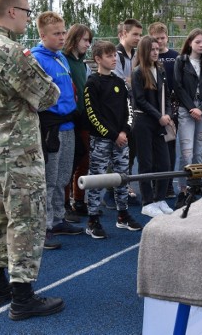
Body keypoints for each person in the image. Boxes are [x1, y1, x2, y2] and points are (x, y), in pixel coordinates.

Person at [0, 0, 64, 319]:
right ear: (12, 11)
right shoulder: (11, 52)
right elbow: (47, 94)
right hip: (18, 149)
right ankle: (22, 296)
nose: (28, 17)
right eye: (26, 11)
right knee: (25, 218)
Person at [32, 12, 84, 249]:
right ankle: (43, 226)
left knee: (63, 177)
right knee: (48, 179)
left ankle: (58, 219)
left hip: (68, 125)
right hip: (50, 128)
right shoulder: (36, 59)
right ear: (42, 35)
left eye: (63, 32)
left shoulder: (61, 58)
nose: (62, 37)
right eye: (56, 33)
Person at [83, 40, 142, 238]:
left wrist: (124, 132)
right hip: (101, 141)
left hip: (122, 140)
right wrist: (113, 135)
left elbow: (130, 110)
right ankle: (92, 220)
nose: (114, 59)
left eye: (114, 55)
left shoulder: (120, 84)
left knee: (122, 177)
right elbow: (93, 115)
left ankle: (123, 215)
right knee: (96, 179)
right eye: (109, 56)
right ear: (98, 59)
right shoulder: (92, 83)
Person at [132, 36, 174, 217]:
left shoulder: (160, 69)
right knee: (146, 163)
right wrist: (159, 116)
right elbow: (139, 101)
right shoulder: (138, 72)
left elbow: (168, 97)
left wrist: (168, 115)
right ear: (144, 51)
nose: (156, 52)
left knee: (165, 162)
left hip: (160, 122)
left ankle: (160, 198)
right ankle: (147, 202)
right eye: (152, 49)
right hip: (143, 122)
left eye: (157, 49)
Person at [173, 28, 202, 207]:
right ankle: (183, 191)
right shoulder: (181, 61)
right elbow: (178, 86)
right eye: (197, 41)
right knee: (187, 152)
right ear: (190, 42)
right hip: (186, 110)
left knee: (199, 152)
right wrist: (192, 108)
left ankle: (195, 187)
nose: (200, 45)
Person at [110, 19, 143, 207]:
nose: (138, 38)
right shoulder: (117, 55)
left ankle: (125, 185)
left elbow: (133, 81)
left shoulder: (135, 55)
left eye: (140, 34)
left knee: (131, 151)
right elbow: (121, 83)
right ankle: (112, 190)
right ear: (123, 34)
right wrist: (132, 82)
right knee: (118, 151)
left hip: (134, 109)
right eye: (135, 34)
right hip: (120, 112)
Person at [63, 24, 93, 217]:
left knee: (84, 159)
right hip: (69, 117)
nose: (88, 44)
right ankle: (65, 203)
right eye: (85, 40)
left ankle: (79, 199)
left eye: (89, 40)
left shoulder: (82, 64)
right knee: (68, 162)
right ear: (74, 39)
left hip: (83, 117)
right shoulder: (64, 61)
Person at [150, 22, 180, 198]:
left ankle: (168, 185)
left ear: (167, 37)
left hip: (171, 109)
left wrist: (171, 110)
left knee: (170, 148)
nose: (160, 42)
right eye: (156, 38)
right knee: (154, 150)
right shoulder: (148, 58)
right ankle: (155, 185)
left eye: (162, 38)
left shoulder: (175, 57)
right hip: (153, 109)